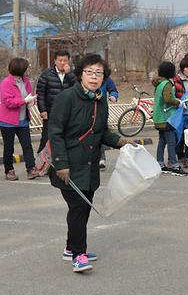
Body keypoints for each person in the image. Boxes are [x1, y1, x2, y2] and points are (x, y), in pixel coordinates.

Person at [48, 53, 132, 272]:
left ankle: (70, 248)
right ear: (80, 74)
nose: (94, 77)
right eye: (89, 72)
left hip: (90, 164)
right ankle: (78, 254)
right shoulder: (66, 98)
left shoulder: (100, 98)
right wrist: (61, 163)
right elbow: (55, 132)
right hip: (68, 165)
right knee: (77, 207)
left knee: (83, 208)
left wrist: (120, 141)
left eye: (99, 73)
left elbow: (101, 131)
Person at [1, 58, 37, 180]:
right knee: (9, 147)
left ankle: (31, 169)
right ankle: (9, 170)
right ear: (20, 69)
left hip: (23, 120)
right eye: (26, 68)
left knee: (27, 146)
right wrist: (24, 101)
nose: (28, 70)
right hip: (8, 121)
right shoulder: (6, 83)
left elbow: (30, 95)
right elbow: (8, 102)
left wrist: (32, 101)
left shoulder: (26, 81)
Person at [36, 50, 77, 153]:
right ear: (55, 61)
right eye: (60, 60)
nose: (62, 63)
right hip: (51, 112)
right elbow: (40, 93)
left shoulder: (73, 73)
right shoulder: (47, 74)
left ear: (69, 61)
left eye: (65, 60)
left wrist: (70, 74)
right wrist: (42, 110)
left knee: (67, 137)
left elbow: (79, 88)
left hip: (68, 113)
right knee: (46, 138)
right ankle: (40, 163)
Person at [152, 62, 187, 177]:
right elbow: (168, 99)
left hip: (158, 118)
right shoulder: (166, 83)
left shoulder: (159, 83)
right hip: (166, 118)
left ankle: (160, 163)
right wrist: (179, 102)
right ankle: (175, 165)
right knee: (171, 142)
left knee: (162, 141)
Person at [98, 73, 119, 169]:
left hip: (101, 111)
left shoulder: (106, 79)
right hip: (85, 111)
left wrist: (113, 96)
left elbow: (113, 90)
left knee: (100, 134)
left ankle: (101, 158)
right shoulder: (84, 77)